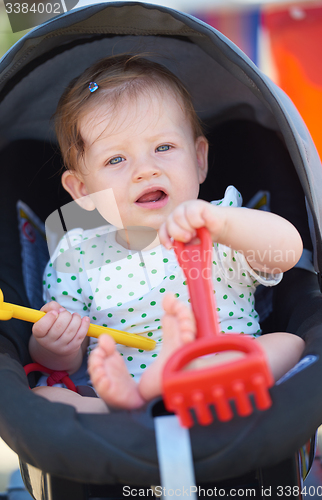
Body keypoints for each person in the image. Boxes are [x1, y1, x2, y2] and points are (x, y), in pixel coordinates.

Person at [30, 54, 305, 413]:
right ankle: (136, 402)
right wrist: (56, 343)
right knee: (45, 399)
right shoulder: (78, 255)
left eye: (163, 148)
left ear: (199, 159)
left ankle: (167, 391)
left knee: (290, 344)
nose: (145, 170)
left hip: (218, 366)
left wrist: (223, 225)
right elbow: (63, 363)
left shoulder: (219, 225)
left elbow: (288, 251)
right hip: (120, 387)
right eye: (116, 160)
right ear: (83, 191)